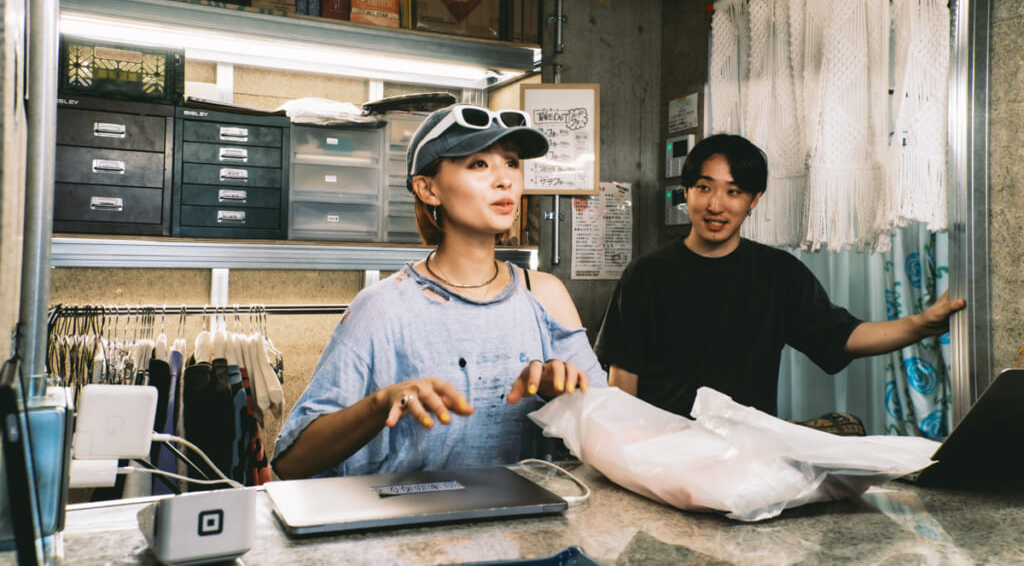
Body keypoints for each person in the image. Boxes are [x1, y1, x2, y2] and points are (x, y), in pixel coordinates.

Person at [273, 104, 607, 479]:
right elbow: (291, 462)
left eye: (511, 163)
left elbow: (611, 435)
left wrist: (558, 394)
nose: (504, 180)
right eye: (479, 164)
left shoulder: (544, 294)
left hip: (530, 531)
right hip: (417, 533)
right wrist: (380, 403)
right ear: (428, 188)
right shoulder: (382, 307)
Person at [594, 133, 965, 418]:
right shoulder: (647, 274)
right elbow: (622, 383)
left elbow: (844, 336)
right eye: (704, 188)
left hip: (747, 458)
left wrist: (922, 324)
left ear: (754, 200)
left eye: (734, 191)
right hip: (662, 458)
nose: (715, 205)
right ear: (686, 192)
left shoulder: (778, 274)